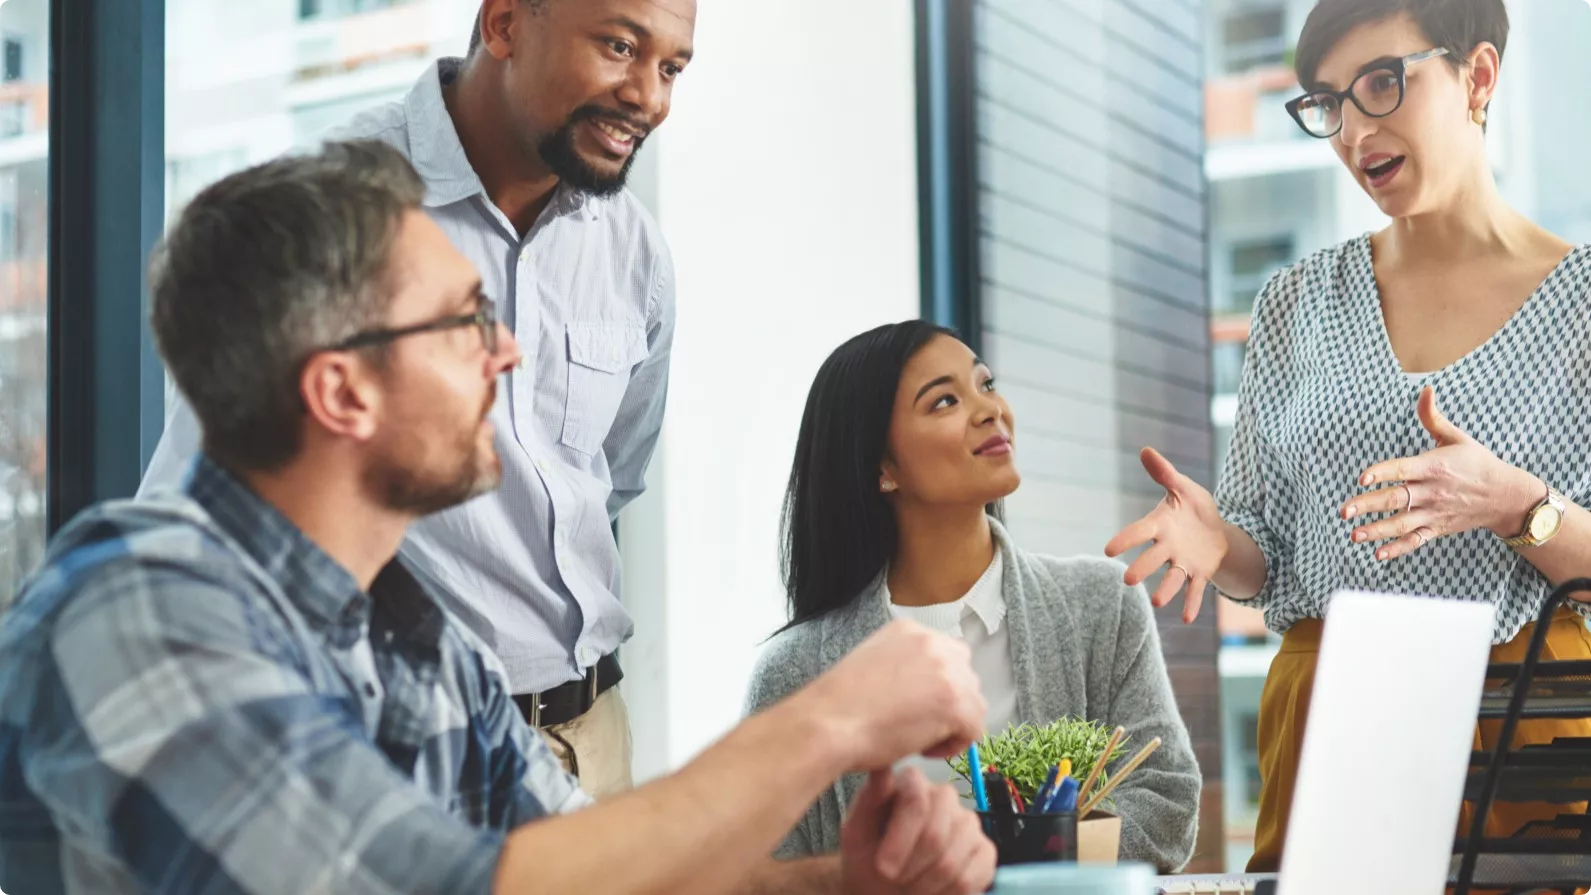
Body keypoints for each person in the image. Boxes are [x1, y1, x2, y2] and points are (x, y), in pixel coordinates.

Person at [0, 141, 997, 895]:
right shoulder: (134, 605)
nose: (507, 352)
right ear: (342, 391)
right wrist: (825, 720)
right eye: (468, 320)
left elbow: (588, 866)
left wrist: (846, 881)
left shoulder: (418, 636)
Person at [138, 0, 688, 796]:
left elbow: (610, 481)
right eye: (619, 46)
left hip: (595, 732)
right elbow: (208, 497)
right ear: (504, 24)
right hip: (400, 745)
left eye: (671, 67)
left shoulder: (634, 250)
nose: (649, 96)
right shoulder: (334, 206)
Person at [1105, 0, 1591, 873]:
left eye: (1381, 83)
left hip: (1525, 714)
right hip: (1333, 714)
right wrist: (1218, 542)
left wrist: (1513, 503)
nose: (1353, 130)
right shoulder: (1294, 302)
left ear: (1477, 76)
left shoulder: (1582, 303)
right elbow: (1267, 562)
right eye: (1328, 102)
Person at [745, 321, 1201, 873]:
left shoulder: (1102, 605)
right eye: (944, 401)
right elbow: (767, 873)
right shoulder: (794, 674)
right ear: (883, 467)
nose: (990, 409)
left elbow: (1167, 802)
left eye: (986, 384)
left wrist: (1012, 865)